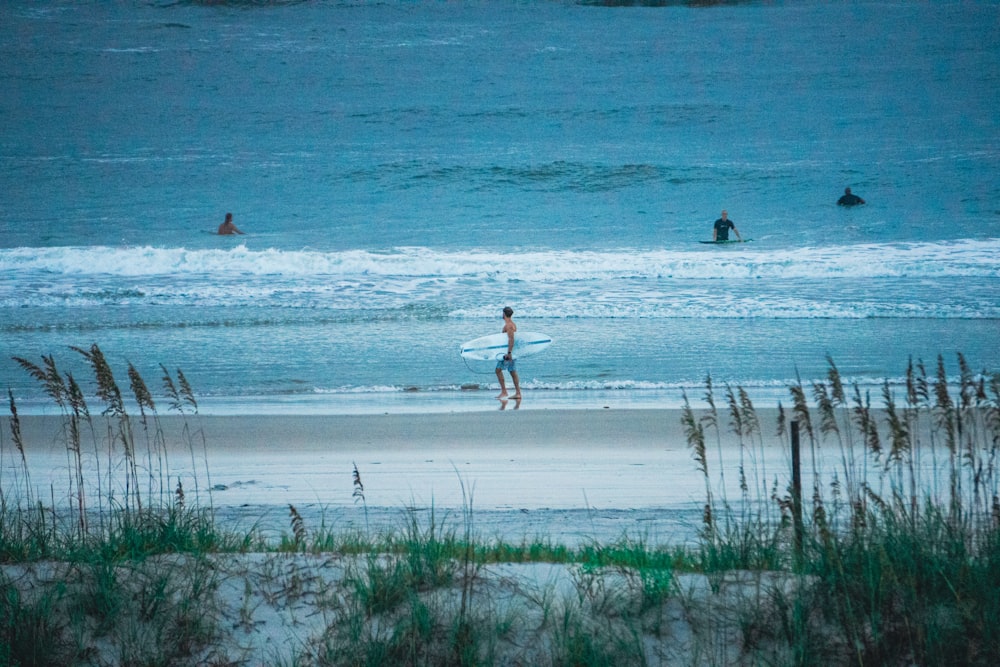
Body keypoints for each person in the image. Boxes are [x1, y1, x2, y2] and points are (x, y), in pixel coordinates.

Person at [495, 306, 522, 400]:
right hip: (511, 352)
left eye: (502, 313)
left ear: (504, 314)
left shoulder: (509, 326)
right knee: (512, 372)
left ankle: (504, 392)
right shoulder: (512, 324)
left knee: (498, 370)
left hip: (508, 353)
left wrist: (509, 353)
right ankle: (518, 393)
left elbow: (511, 339)